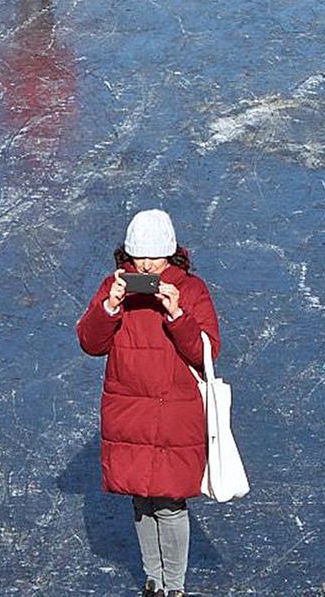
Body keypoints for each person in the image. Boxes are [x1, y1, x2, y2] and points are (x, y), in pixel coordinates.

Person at [77, 209, 223, 597]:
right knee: (142, 499)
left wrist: (176, 314)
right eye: (139, 258)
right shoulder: (115, 286)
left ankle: (174, 586)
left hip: (175, 412)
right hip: (128, 411)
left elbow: (207, 352)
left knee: (171, 503)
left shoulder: (192, 291)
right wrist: (108, 307)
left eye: (154, 259)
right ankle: (153, 581)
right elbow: (91, 343)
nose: (145, 266)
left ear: (169, 255)